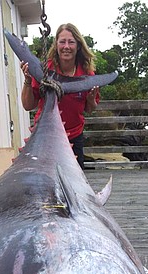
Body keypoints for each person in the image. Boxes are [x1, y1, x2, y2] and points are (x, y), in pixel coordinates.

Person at [20, 23, 100, 169]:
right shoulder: (44, 71)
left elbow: (89, 109)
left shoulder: (87, 75)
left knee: (74, 184)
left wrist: (90, 101)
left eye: (71, 42)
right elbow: (27, 106)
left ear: (78, 45)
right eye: (62, 41)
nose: (66, 46)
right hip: (44, 138)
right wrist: (27, 80)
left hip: (73, 137)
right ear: (56, 44)